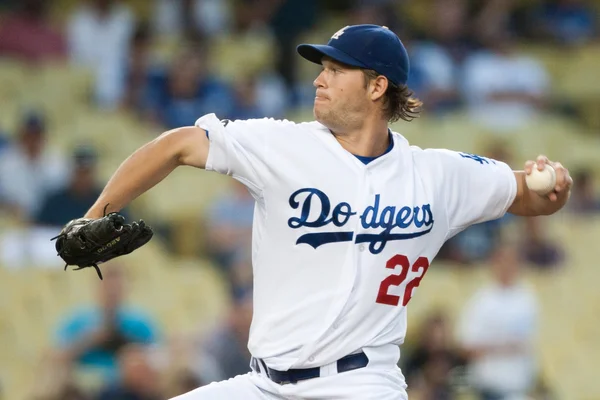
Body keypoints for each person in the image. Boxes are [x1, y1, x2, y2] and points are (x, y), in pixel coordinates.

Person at [76, 24, 573, 399]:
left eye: (337, 70)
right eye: (322, 69)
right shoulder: (284, 145)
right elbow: (180, 144)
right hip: (263, 384)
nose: (320, 80)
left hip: (360, 383)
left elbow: (528, 195)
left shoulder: (439, 175)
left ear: (377, 87)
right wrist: (97, 211)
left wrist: (554, 188)